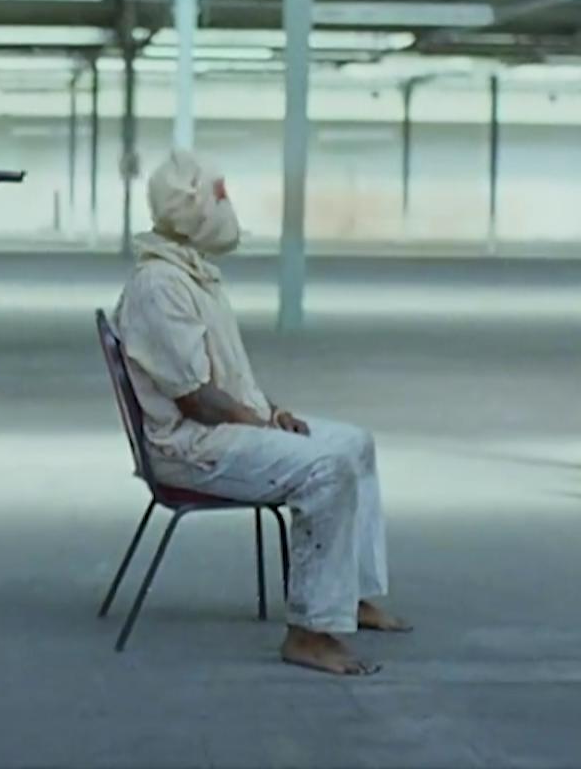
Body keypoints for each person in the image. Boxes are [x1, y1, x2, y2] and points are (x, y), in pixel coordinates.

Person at [111, 150, 408, 677]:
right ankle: (310, 631)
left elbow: (229, 380)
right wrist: (264, 424)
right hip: (191, 447)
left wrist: (274, 412)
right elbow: (195, 400)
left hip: (220, 430)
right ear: (195, 208)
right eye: (220, 195)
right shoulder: (160, 285)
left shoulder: (193, 273)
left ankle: (348, 596)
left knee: (354, 443)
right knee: (326, 469)